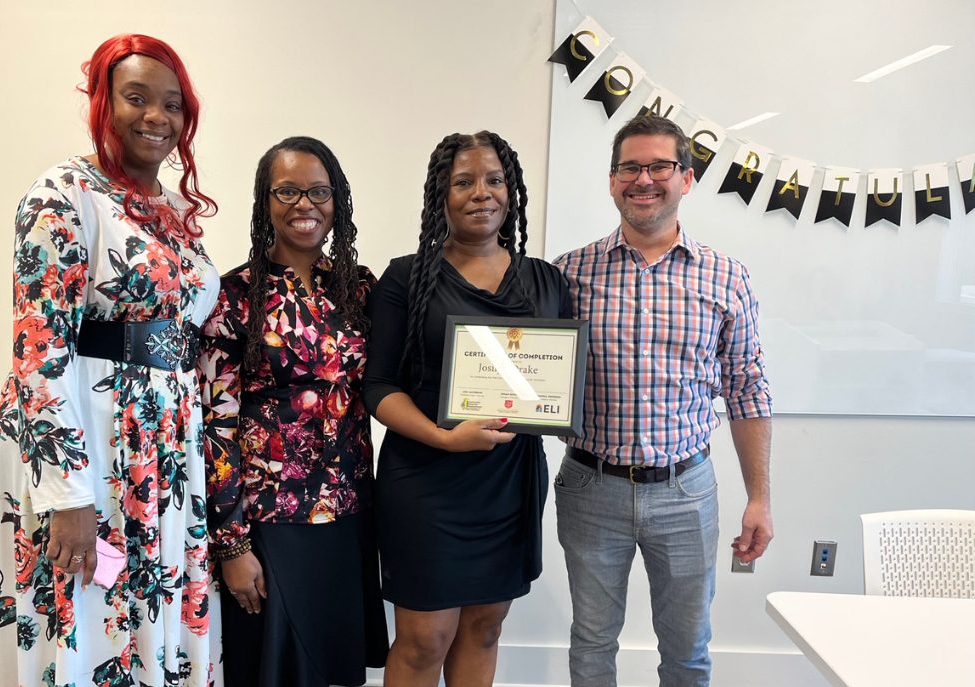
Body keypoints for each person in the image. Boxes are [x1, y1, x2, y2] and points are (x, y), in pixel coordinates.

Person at [0, 34, 221, 686]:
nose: (157, 117)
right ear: (101, 102)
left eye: (172, 104)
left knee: (147, 611)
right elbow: (39, 347)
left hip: (162, 451)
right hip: (92, 443)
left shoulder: (175, 210)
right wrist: (68, 493)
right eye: (136, 97)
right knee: (90, 608)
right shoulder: (63, 194)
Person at [552, 114, 773, 687]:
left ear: (687, 179)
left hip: (686, 491)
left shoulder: (727, 278)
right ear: (611, 179)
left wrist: (759, 499)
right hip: (590, 486)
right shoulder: (567, 274)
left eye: (659, 167)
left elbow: (747, 389)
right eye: (630, 167)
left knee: (688, 650)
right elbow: (540, 377)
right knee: (592, 644)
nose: (643, 179)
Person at [364, 131, 572, 687]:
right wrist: (444, 436)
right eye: (464, 182)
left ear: (512, 190)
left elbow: (558, 379)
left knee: (484, 627)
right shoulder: (405, 280)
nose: (482, 193)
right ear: (441, 195)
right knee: (423, 638)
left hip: (508, 481)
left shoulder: (547, 281)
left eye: (495, 179)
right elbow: (379, 387)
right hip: (427, 480)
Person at [199, 136, 388, 686]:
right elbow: (217, 423)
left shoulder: (358, 289)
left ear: (338, 201)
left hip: (348, 514)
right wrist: (231, 543)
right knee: (275, 672)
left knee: (332, 668)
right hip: (269, 522)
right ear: (265, 202)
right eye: (287, 191)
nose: (305, 204)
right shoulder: (232, 296)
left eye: (318, 191)